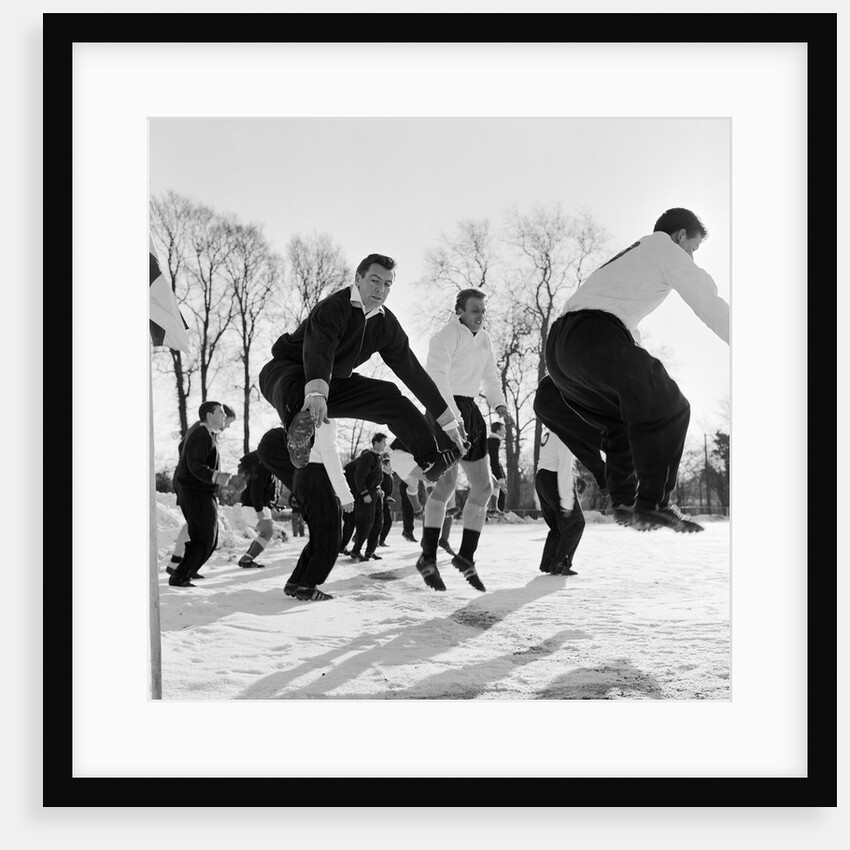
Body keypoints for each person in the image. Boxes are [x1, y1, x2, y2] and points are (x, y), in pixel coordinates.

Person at [545, 208, 729, 533]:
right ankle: (654, 504)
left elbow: (624, 332)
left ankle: (625, 502)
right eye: (693, 248)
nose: (691, 257)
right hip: (593, 335)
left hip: (561, 353)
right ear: (681, 235)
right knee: (673, 406)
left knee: (622, 419)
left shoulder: (634, 258)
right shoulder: (665, 249)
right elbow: (707, 300)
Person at [257, 253, 467, 485]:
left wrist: (448, 422)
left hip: (333, 385)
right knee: (293, 386)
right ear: (358, 279)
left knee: (389, 396)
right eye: (374, 281)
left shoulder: (385, 324)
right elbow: (319, 350)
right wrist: (316, 393)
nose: (381, 289)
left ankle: (429, 458)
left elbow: (413, 373)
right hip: (287, 371)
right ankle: (300, 436)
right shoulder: (334, 307)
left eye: (387, 284)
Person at [417, 288, 513, 592]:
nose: (480, 316)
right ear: (459, 310)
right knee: (445, 486)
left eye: (483, 311)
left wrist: (500, 405)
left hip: (471, 410)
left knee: (484, 488)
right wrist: (451, 415)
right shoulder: (446, 336)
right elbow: (437, 376)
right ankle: (427, 557)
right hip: (444, 409)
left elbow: (491, 377)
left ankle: (466, 557)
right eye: (474, 310)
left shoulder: (484, 339)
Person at [168, 401, 234, 588]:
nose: (223, 416)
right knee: (204, 538)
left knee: (208, 539)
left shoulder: (209, 436)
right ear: (209, 415)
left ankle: (183, 574)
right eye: (220, 412)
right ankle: (180, 576)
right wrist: (215, 476)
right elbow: (194, 464)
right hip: (194, 491)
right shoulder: (201, 435)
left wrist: (217, 478)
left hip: (202, 491)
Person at [535, 428, 585, 576]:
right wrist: (567, 500)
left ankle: (548, 563)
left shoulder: (550, 429)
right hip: (555, 478)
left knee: (557, 526)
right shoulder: (564, 431)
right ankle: (558, 562)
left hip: (542, 478)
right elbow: (564, 467)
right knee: (576, 523)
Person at [348, 433, 388, 562]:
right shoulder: (367, 457)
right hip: (367, 495)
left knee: (378, 523)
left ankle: (370, 552)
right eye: (383, 442)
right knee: (365, 524)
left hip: (376, 494)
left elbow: (376, 477)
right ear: (376, 443)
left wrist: (379, 489)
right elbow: (359, 477)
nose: (385, 445)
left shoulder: (379, 457)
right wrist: (364, 493)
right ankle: (355, 551)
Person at [234, 449, 277, 569]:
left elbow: (263, 491)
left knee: (265, 534)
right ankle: (247, 559)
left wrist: (271, 504)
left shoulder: (266, 467)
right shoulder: (263, 468)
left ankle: (246, 559)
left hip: (255, 506)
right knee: (266, 533)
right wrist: (259, 511)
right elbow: (256, 490)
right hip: (254, 507)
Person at [487, 421, 507, 514]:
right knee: (498, 488)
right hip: (489, 469)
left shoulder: (492, 440)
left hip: (487, 468)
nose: (505, 431)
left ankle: (492, 511)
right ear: (498, 431)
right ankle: (495, 511)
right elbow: (494, 460)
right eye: (503, 429)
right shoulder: (494, 440)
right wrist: (500, 476)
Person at [377, 454, 395, 547]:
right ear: (385, 465)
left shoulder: (390, 476)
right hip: (379, 501)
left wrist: (388, 497)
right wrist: (385, 497)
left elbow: (388, 490)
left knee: (388, 521)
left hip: (385, 502)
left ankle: (381, 540)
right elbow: (379, 489)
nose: (391, 466)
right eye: (389, 464)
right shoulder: (381, 475)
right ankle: (375, 540)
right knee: (377, 522)